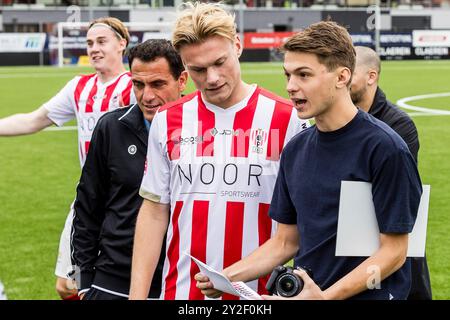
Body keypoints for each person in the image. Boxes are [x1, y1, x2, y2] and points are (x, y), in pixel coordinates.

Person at [196, 21, 423, 300]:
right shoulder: (295, 149)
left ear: (342, 77)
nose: (291, 86)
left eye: (304, 75)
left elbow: (395, 252)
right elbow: (285, 241)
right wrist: (226, 277)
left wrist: (326, 297)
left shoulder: (385, 148)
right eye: (288, 75)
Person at [129, 1, 309, 300]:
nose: (211, 78)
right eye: (198, 69)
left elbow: (301, 223)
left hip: (260, 295)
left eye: (219, 62)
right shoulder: (167, 119)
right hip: (182, 292)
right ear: (184, 67)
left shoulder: (287, 118)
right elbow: (155, 211)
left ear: (237, 46)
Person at [0, 17, 135, 300]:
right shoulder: (78, 87)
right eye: (89, 43)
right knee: (67, 285)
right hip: (87, 198)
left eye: (101, 42)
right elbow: (33, 120)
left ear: (121, 44)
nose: (94, 49)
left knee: (116, 285)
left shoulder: (134, 86)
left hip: (124, 201)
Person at [71, 39, 188, 300]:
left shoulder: (201, 131)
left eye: (158, 84)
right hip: (112, 280)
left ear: (182, 80)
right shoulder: (110, 128)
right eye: (138, 84)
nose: (146, 96)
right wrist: (82, 282)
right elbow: (86, 209)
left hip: (178, 279)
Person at [350, 45, 432, 300]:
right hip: (347, 235)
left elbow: (392, 189)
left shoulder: (398, 125)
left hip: (390, 234)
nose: (338, 79)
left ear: (371, 77)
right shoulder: (331, 118)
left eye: (348, 72)